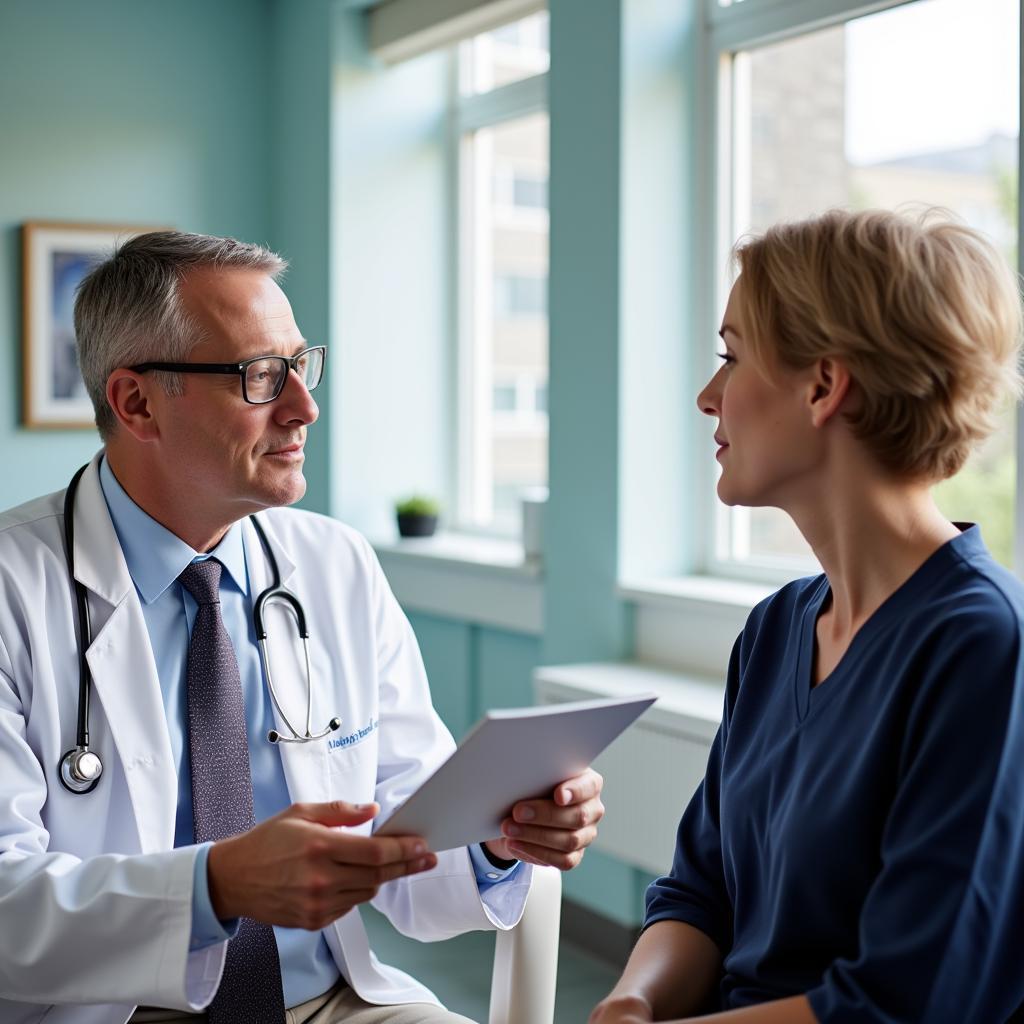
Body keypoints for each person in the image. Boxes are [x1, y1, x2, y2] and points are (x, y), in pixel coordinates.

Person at [0, 231, 605, 1024]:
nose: (304, 406)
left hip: (328, 1002)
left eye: (301, 364)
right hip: (105, 1012)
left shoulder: (335, 564)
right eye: (259, 376)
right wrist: (216, 888)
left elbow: (405, 822)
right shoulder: (14, 589)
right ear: (136, 402)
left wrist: (498, 837)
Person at [590, 208, 1024, 1024]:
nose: (707, 396)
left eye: (732, 357)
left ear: (824, 386)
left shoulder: (984, 645)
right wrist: (632, 1003)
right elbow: (701, 890)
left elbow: (912, 1003)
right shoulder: (777, 626)